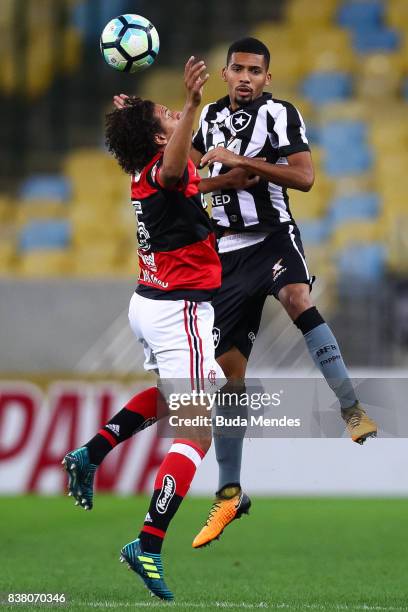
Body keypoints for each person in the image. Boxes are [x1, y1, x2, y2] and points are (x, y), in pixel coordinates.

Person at [62, 56, 257, 601]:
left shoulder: (141, 166)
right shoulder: (160, 169)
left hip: (151, 301)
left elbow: (180, 175)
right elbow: (174, 171)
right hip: (180, 310)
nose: (175, 113)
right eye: (166, 116)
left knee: (183, 397)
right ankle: (146, 545)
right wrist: (192, 106)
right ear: (157, 136)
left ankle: (91, 453)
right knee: (196, 431)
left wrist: (135, 113)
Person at [188, 37, 378, 548]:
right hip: (224, 252)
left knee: (298, 296)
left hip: (273, 237)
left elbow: (305, 178)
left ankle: (351, 408)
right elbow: (187, 179)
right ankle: (229, 493)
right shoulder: (205, 119)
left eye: (255, 70)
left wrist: (245, 168)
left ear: (267, 78)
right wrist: (221, 179)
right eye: (238, 69)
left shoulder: (281, 115)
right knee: (229, 373)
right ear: (225, 74)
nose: (246, 77)